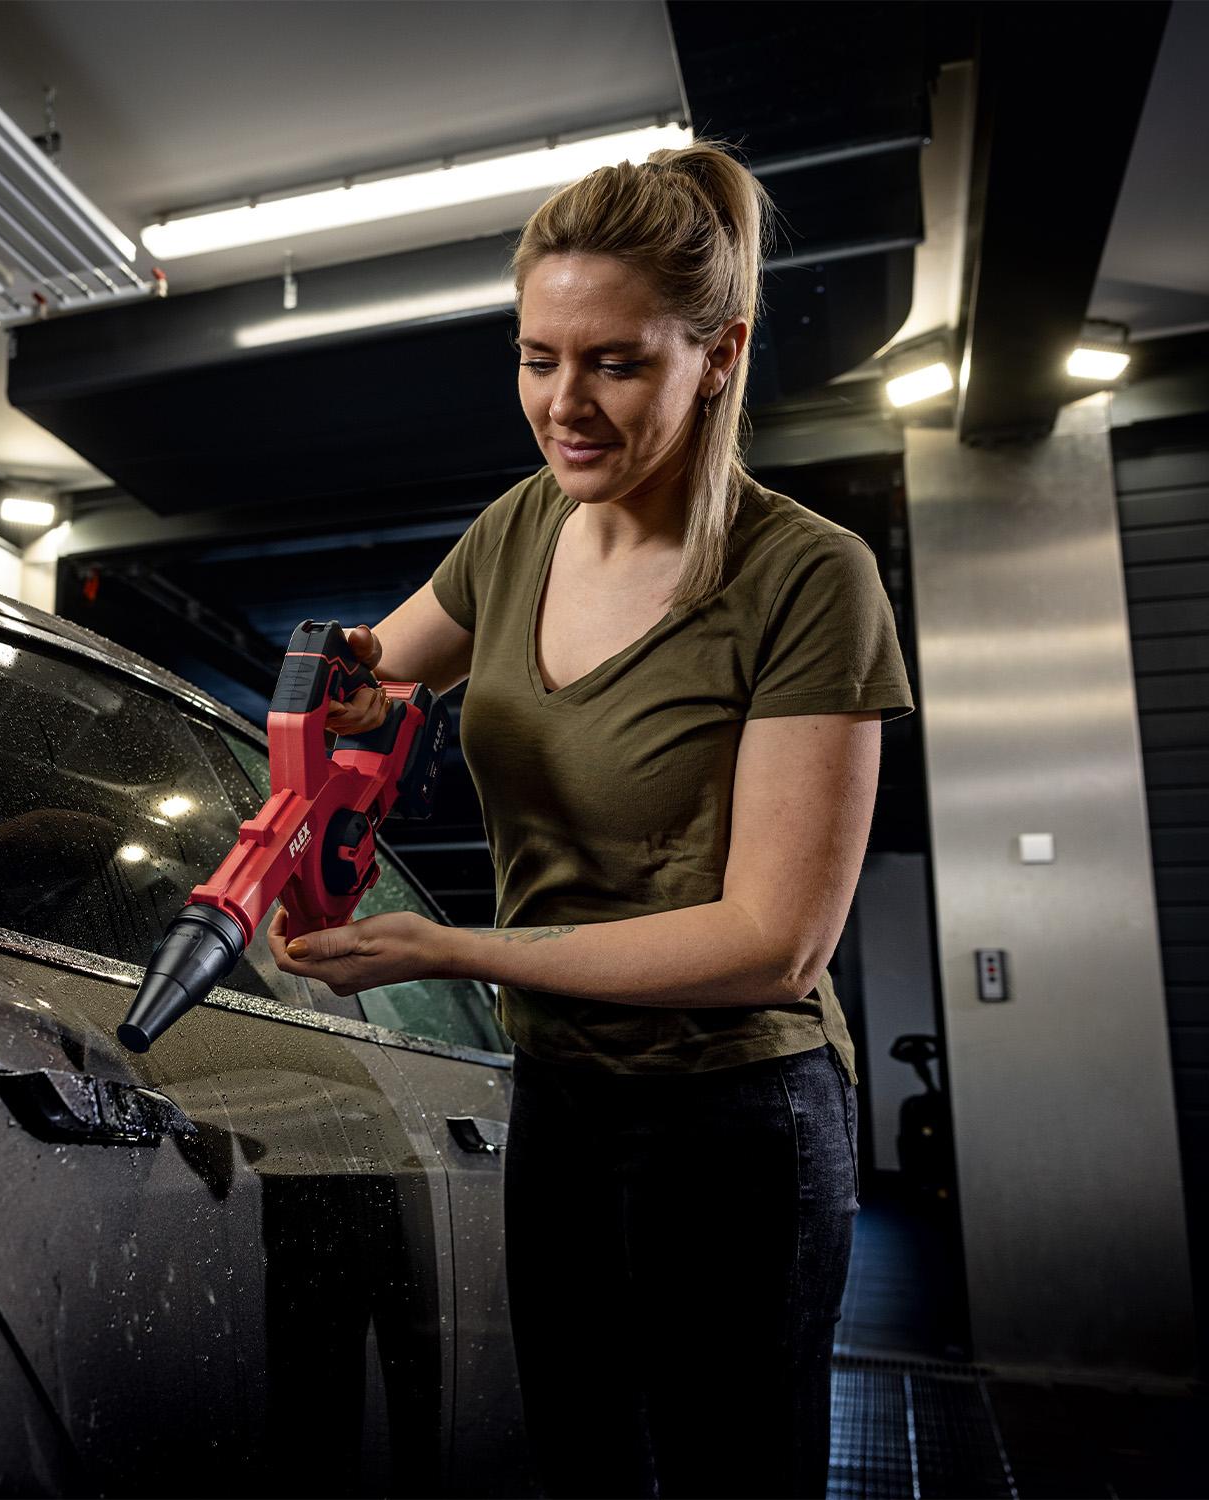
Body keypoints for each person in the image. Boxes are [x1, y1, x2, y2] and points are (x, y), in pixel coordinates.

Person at [267, 141, 914, 1498]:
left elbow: (773, 944)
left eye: (614, 361)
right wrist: (306, 769)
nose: (565, 403)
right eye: (536, 357)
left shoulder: (807, 577)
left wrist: (451, 952)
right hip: (566, 1099)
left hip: (738, 1117)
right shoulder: (517, 531)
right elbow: (369, 685)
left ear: (718, 353)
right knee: (586, 1467)